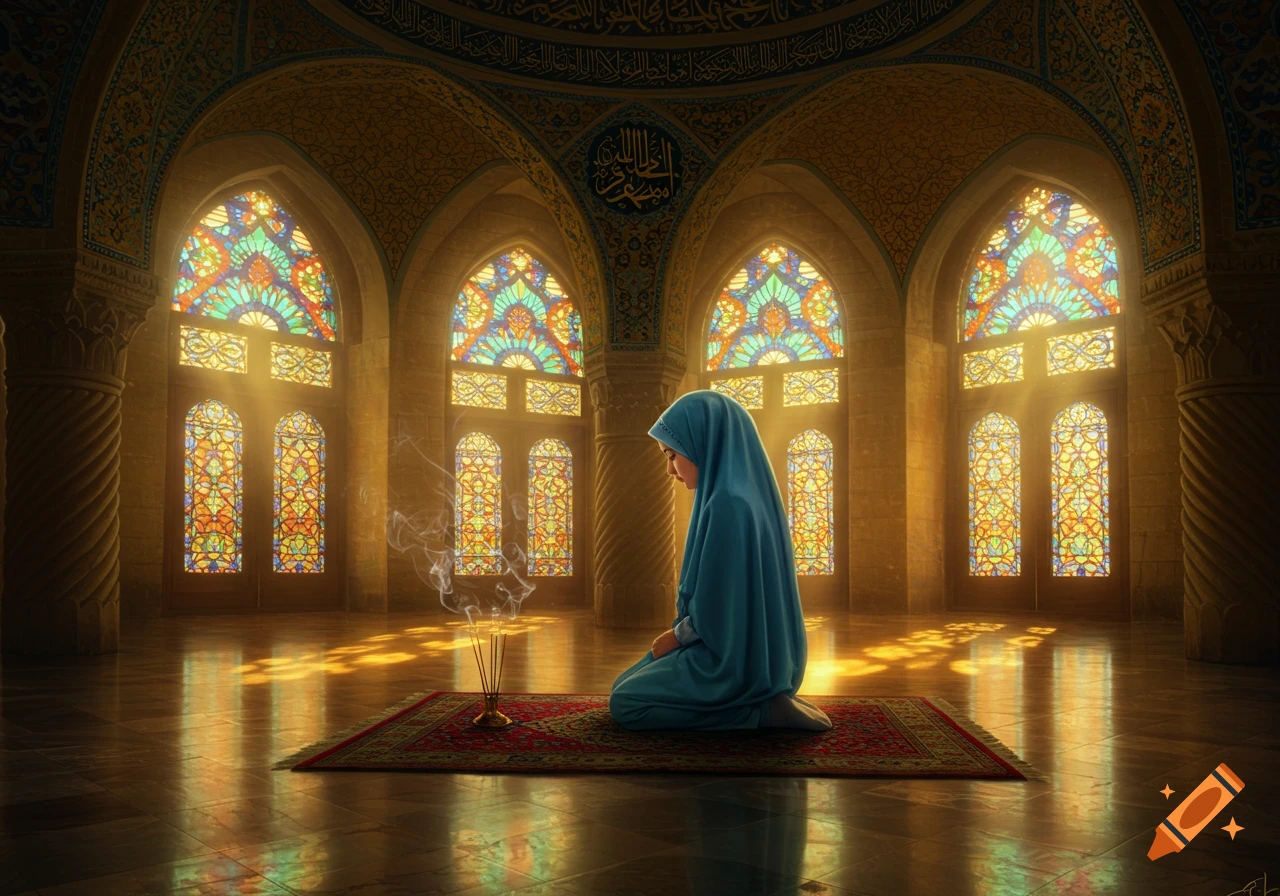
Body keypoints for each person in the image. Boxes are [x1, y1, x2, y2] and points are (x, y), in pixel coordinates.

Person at [608, 390, 832, 732]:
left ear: (704, 443)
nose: (670, 470)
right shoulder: (740, 497)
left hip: (730, 662)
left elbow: (717, 609)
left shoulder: (728, 505)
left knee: (626, 703)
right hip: (748, 653)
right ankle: (764, 702)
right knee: (624, 684)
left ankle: (757, 713)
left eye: (672, 455)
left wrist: (676, 638)